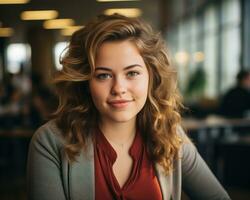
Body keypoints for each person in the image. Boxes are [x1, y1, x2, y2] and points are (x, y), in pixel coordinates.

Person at [27, 14, 230, 200]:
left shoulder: (169, 135)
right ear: (86, 83)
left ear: (152, 77)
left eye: (132, 73)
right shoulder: (50, 142)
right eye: (103, 75)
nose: (118, 88)